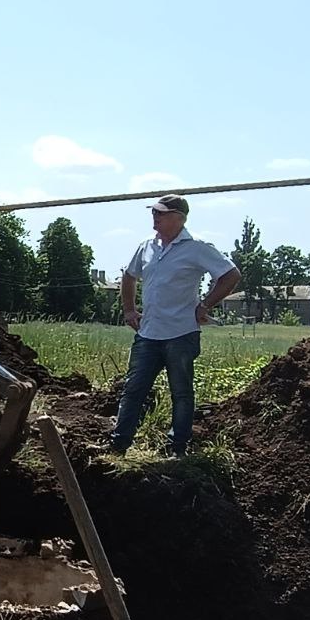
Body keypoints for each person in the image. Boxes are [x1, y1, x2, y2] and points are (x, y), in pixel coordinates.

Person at [109, 194, 242, 457]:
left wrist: (205, 305)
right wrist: (128, 310)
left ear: (179, 218)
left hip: (181, 334)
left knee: (181, 393)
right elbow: (129, 276)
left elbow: (231, 275)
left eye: (161, 213)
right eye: (154, 212)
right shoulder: (147, 246)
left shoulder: (197, 247)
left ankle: (177, 448)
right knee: (133, 390)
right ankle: (118, 444)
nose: (155, 217)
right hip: (148, 333)